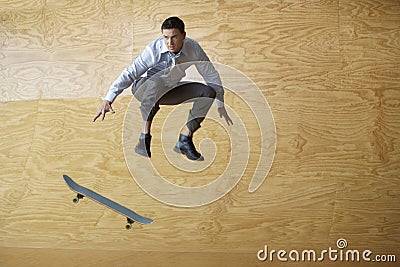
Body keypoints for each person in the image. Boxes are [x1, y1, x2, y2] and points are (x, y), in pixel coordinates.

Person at [93, 16, 232, 161]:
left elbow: (211, 75)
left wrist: (220, 104)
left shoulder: (193, 48)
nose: (169, 42)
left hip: (168, 89)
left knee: (208, 92)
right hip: (143, 87)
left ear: (183, 36)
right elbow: (130, 73)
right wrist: (109, 99)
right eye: (165, 37)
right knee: (156, 80)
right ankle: (144, 137)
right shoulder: (153, 50)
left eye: (174, 37)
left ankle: (184, 139)